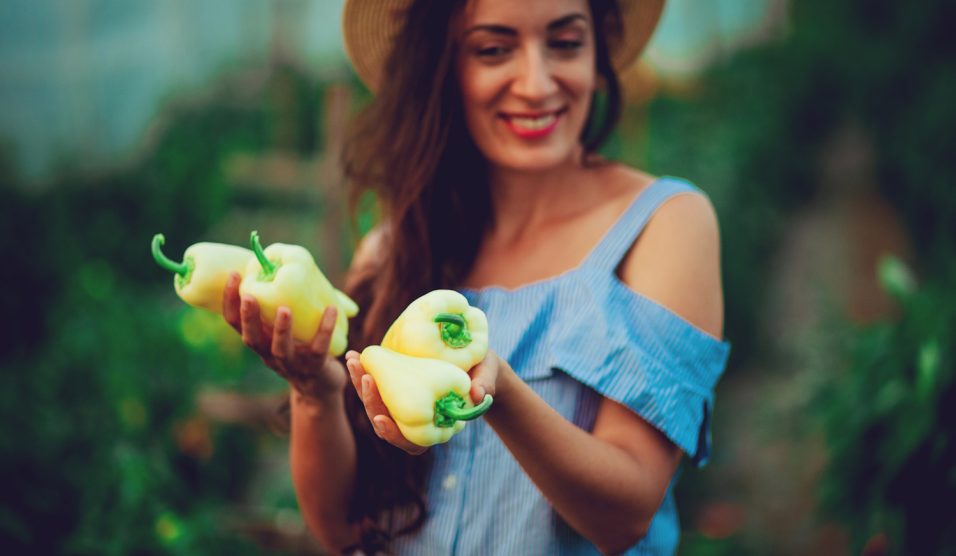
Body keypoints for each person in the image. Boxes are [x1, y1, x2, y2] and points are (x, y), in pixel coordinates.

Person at [222, 0, 730, 553]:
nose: (536, 84)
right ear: (443, 65)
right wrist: (315, 391)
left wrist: (499, 392)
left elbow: (627, 513)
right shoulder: (394, 247)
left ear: (597, 51)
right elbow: (341, 529)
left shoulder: (663, 224)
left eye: (565, 43)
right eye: (493, 49)